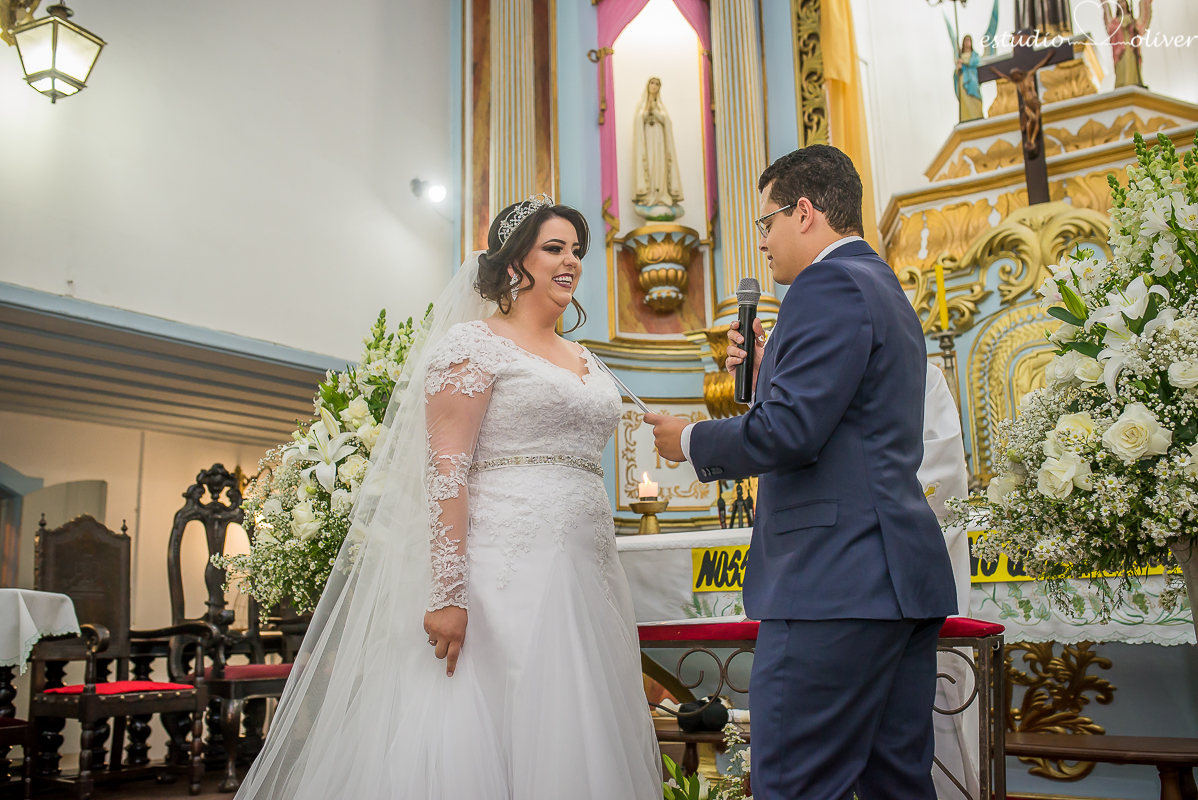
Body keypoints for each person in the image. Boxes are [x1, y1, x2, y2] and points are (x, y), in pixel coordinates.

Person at [235, 195, 661, 800]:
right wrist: (447, 593)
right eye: (554, 248)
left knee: (575, 725)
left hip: (587, 569)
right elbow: (446, 472)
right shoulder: (472, 345)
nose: (571, 261)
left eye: (576, 251)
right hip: (503, 573)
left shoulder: (586, 359)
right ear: (514, 263)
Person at [646, 145, 957, 800]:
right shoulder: (882, 287)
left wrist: (690, 440)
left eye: (767, 222)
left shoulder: (826, 285)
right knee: (896, 785)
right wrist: (770, 370)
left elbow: (791, 431)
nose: (762, 241)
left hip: (833, 583)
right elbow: (845, 421)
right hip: (895, 581)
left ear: (805, 211)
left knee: (794, 784)